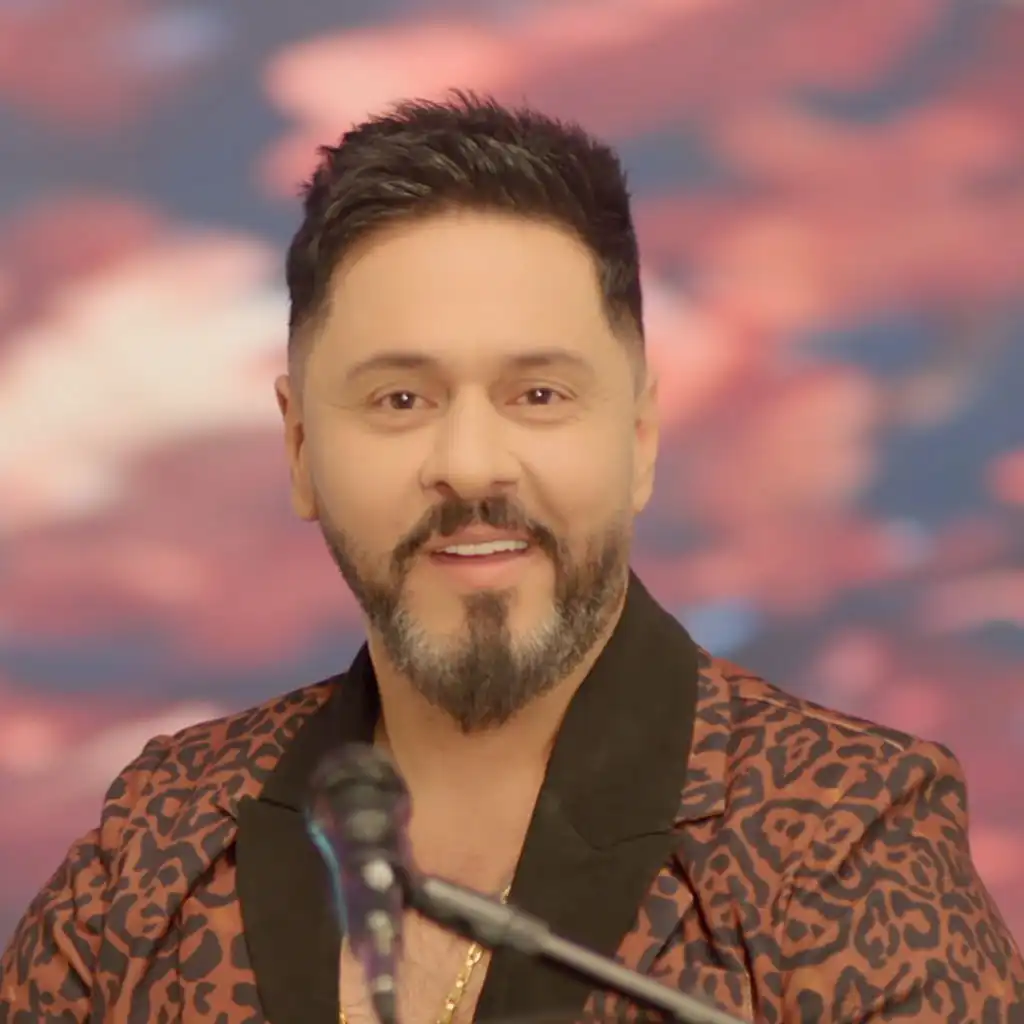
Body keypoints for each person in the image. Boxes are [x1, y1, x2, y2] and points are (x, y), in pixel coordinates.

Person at [1, 92, 1021, 1024]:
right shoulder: (168, 829)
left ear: (639, 438)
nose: (470, 464)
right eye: (400, 399)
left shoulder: (842, 830)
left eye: (538, 395)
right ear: (301, 447)